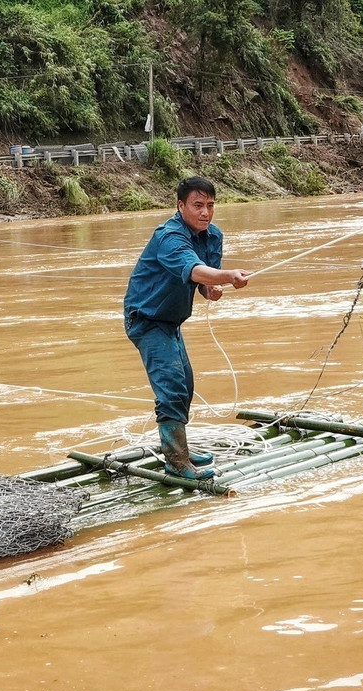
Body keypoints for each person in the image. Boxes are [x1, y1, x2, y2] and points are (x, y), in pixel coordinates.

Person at [123, 176, 250, 479]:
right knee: (172, 387)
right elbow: (193, 270)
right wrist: (227, 276)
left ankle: (181, 448)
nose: (205, 212)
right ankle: (177, 462)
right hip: (146, 319)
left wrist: (212, 289)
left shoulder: (212, 235)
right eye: (198, 205)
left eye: (210, 205)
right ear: (181, 206)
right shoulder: (169, 237)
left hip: (171, 321)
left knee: (186, 385)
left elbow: (203, 281)